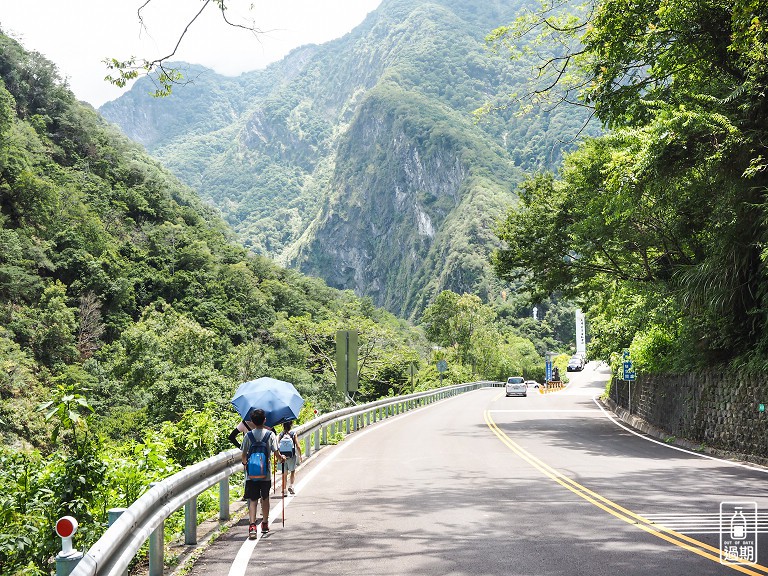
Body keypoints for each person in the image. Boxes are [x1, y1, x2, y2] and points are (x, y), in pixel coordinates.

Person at [241, 408, 284, 537]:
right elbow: (276, 453)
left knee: (253, 500)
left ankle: (252, 526)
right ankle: (264, 523)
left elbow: (243, 455)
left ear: (252, 422)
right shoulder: (270, 435)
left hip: (251, 474)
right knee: (265, 498)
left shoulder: (248, 436)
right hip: (265, 474)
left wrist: (246, 465)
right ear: (264, 420)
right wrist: (282, 458)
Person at [278, 421, 302, 496]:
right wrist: (300, 455)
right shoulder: (293, 434)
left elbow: (277, 446)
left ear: (283, 425)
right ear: (291, 425)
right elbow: (297, 445)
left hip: (283, 457)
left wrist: (279, 455)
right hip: (291, 456)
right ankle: (291, 485)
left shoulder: (281, 434)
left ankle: (284, 490)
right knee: (292, 471)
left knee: (284, 474)